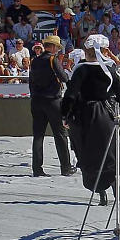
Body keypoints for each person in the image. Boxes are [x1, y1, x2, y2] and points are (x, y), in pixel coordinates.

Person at [61, 36, 120, 204]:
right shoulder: (109, 70)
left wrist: (65, 115)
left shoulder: (81, 70)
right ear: (104, 51)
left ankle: (99, 190)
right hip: (105, 115)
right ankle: (113, 184)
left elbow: (70, 95)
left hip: (84, 116)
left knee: (88, 153)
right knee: (108, 152)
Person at [28, 36, 75, 178]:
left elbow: (31, 81)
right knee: (60, 135)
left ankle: (37, 168)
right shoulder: (52, 59)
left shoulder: (34, 60)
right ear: (53, 47)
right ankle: (65, 167)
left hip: (36, 100)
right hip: (52, 100)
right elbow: (64, 78)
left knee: (38, 136)